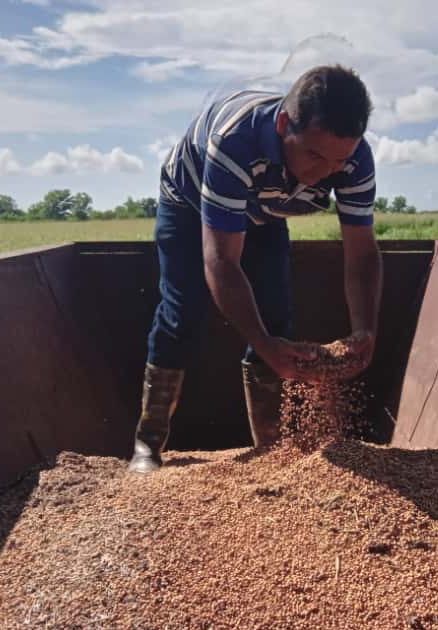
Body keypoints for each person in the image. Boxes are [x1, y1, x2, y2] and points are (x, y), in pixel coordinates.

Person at [129, 64, 382, 473]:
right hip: (190, 202)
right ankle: (148, 443)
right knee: (184, 313)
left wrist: (365, 331)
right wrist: (265, 347)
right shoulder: (235, 142)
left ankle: (270, 449)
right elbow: (221, 261)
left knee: (277, 317)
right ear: (285, 124)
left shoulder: (352, 160)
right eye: (315, 155)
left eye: (339, 161)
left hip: (265, 208)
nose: (325, 173)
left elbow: (361, 253)